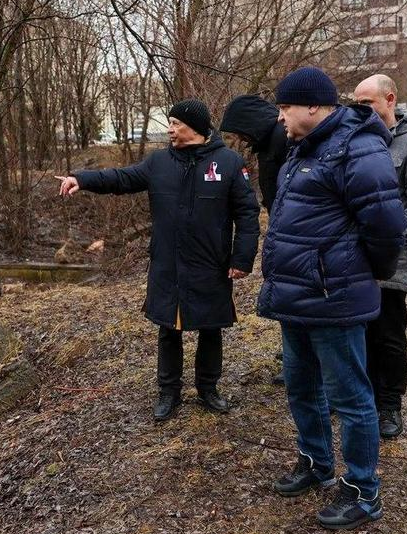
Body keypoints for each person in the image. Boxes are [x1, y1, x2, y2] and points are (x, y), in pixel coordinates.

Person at [257, 67, 406, 530]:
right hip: (296, 298)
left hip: (333, 299)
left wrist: (362, 275)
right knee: (302, 387)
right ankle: (317, 463)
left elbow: (386, 226)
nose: (279, 117)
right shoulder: (302, 148)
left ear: (314, 107)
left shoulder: (357, 147)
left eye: (285, 107)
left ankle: (363, 490)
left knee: (351, 398)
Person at [58, 98, 260, 422]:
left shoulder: (229, 163)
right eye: (170, 122)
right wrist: (82, 179)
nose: (170, 128)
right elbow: (121, 179)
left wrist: (242, 258)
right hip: (168, 263)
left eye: (176, 123)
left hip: (210, 264)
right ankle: (169, 392)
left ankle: (208, 389)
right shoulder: (158, 162)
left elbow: (248, 214)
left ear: (194, 127)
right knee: (168, 329)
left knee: (211, 328)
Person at [353, 74, 407, 440]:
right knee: (358, 332)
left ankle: (389, 405)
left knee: (388, 334)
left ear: (389, 100)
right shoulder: (357, 142)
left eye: (366, 103)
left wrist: (386, 242)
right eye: (354, 104)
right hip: (354, 260)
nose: (359, 111)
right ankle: (362, 400)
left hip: (391, 261)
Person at [221, 95, 290, 384]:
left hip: (291, 227)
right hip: (283, 223)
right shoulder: (269, 140)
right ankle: (291, 352)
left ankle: (296, 360)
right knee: (287, 293)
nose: (238, 138)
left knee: (292, 294)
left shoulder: (281, 138)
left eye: (239, 131)